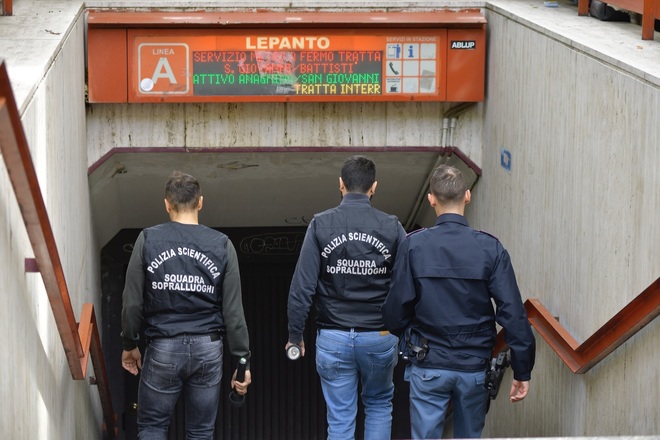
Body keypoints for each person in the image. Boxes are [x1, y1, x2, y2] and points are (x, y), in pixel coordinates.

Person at [382, 164, 535, 439]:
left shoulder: (413, 246)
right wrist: (523, 369)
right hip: (474, 368)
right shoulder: (491, 249)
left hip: (428, 364)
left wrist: (408, 333)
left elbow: (394, 312)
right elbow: (512, 313)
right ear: (467, 195)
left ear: (431, 198)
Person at [121, 171, 251, 439]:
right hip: (208, 348)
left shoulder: (148, 239)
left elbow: (132, 302)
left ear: (167, 204)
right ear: (200, 202)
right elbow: (234, 313)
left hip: (163, 346)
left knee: (153, 428)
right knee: (201, 432)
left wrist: (129, 344)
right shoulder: (222, 244)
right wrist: (243, 361)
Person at [286, 155, 407, 440]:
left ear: (341, 184)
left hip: (333, 337)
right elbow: (406, 285)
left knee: (340, 418)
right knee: (378, 404)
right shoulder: (392, 227)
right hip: (379, 335)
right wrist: (402, 328)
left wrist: (295, 334)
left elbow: (302, 286)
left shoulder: (320, 224)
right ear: (373, 187)